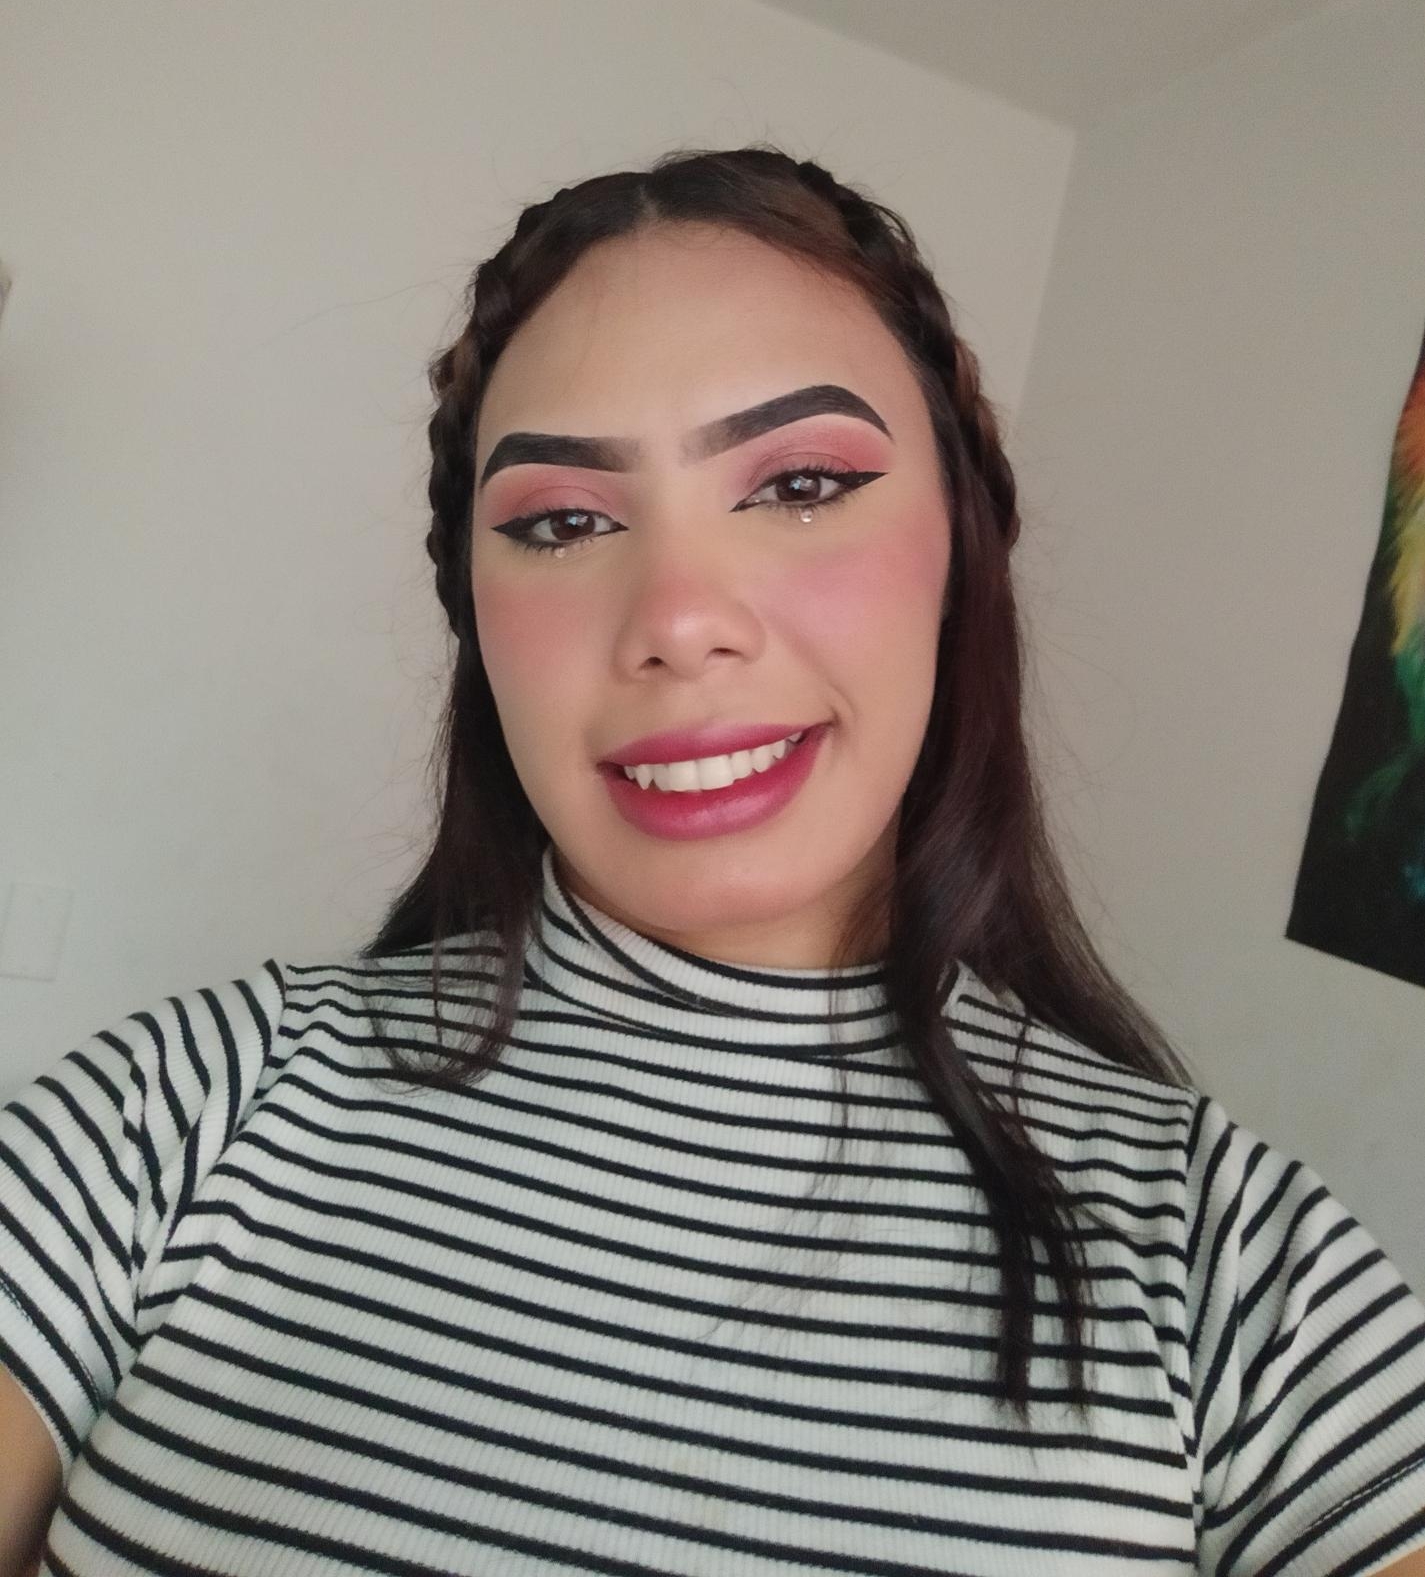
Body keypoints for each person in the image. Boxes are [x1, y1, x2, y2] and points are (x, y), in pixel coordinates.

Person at [2, 145, 1423, 1576]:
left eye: (800, 483)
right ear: (478, 619)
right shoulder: (183, 1111)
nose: (678, 618)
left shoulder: (1244, 1272)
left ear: (961, 552)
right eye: (563, 521)